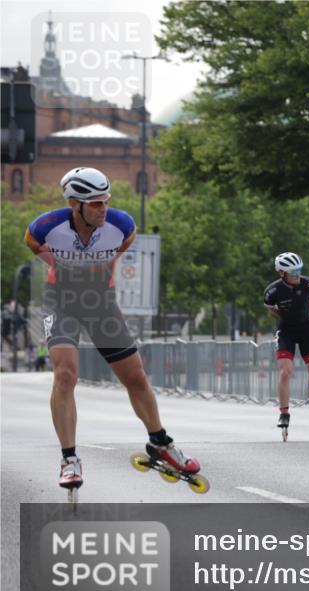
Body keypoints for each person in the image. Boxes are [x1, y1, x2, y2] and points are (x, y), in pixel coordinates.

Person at [25, 167, 201, 494]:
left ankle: (160, 442)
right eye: (94, 204)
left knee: (135, 376)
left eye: (105, 201)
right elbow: (34, 246)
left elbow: (116, 255)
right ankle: (69, 459)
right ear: (74, 204)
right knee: (65, 374)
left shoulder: (123, 226)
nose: (102, 208)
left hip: (100, 302)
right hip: (60, 301)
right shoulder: (45, 227)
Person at [264, 252, 309, 437]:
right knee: (285, 372)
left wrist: (303, 313)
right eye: (293, 272)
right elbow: (271, 309)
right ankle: (284, 413)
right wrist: (287, 316)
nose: (298, 274)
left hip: (306, 330)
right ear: (282, 273)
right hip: (286, 332)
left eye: (299, 270)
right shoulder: (272, 292)